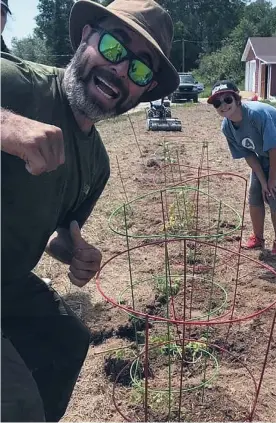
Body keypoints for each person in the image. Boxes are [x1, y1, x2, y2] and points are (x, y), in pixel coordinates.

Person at [1, 0, 179, 421]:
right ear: (86, 36)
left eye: (139, 70)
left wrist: (73, 251)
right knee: (14, 404)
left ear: (144, 92)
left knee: (65, 340)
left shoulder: (96, 164)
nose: (121, 70)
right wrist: (5, 124)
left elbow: (56, 232)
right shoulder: (17, 86)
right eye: (115, 47)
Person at [208, 80, 276, 255]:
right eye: (217, 103)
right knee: (255, 192)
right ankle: (258, 238)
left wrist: (271, 180)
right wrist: (262, 181)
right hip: (266, 151)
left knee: (274, 193)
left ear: (237, 99)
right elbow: (249, 155)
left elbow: (275, 147)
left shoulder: (256, 114)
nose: (223, 106)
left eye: (227, 100)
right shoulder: (227, 127)